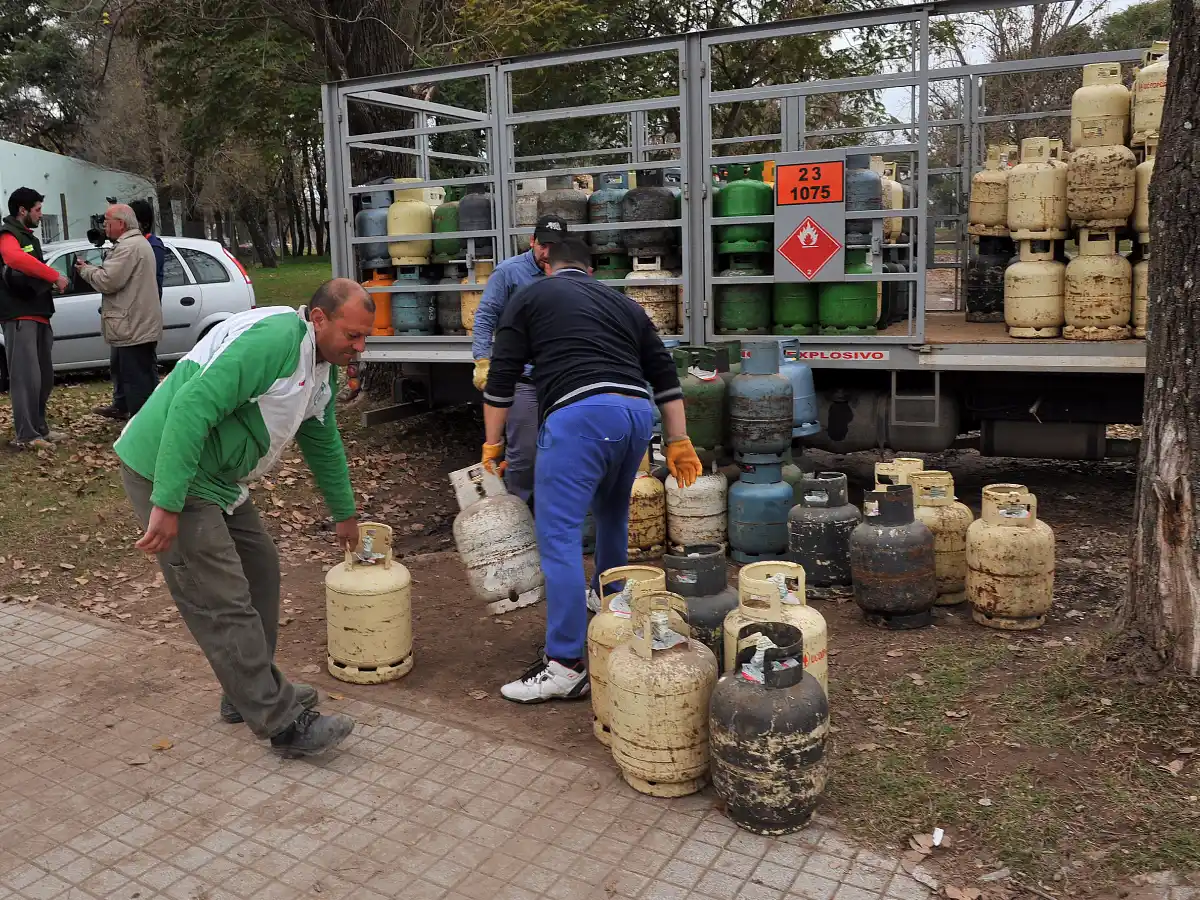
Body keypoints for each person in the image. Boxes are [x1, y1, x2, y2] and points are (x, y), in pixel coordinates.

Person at [114, 279, 374, 757]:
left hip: (215, 478)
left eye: (364, 338)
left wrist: (345, 513)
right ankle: (281, 722)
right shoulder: (274, 344)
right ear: (319, 319)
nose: (358, 347)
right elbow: (192, 405)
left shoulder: (321, 369)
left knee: (260, 570)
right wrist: (167, 502)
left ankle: (247, 693)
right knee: (223, 598)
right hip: (166, 467)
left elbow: (322, 440)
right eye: (352, 335)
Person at [482, 235, 703, 703]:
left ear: (547, 264)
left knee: (558, 534)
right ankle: (612, 611)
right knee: (611, 515)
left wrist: (492, 442)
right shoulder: (621, 303)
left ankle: (565, 664)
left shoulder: (531, 295)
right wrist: (679, 439)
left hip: (579, 416)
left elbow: (502, 377)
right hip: (635, 415)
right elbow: (664, 374)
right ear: (590, 271)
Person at [470, 214, 568, 506]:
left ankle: (554, 515)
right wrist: (482, 360)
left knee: (562, 451)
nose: (547, 253)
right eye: (543, 245)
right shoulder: (509, 273)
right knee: (524, 454)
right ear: (532, 241)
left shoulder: (567, 273)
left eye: (555, 246)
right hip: (523, 379)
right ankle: (518, 514)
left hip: (559, 379)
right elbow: (485, 317)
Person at [76, 204, 163, 417]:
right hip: (138, 323)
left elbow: (108, 281)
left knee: (136, 381)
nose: (104, 227)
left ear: (121, 224)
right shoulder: (138, 243)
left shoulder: (128, 247)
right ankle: (147, 423)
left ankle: (141, 429)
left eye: (107, 223)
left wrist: (85, 270)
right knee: (142, 377)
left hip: (132, 325)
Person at [0, 187, 69, 450]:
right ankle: (26, 435)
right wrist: (53, 276)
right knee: (25, 377)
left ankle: (40, 428)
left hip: (39, 313)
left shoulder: (30, 237)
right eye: (38, 210)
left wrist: (46, 283)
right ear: (22, 210)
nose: (41, 215)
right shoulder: (8, 234)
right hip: (19, 315)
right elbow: (13, 258)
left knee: (43, 377)